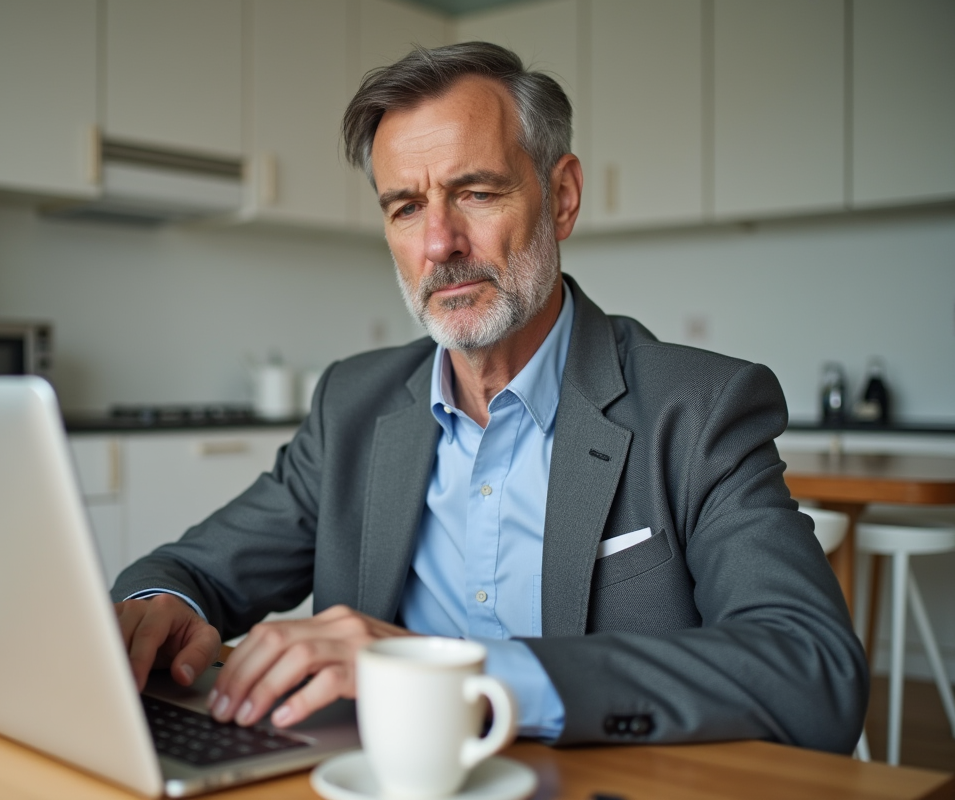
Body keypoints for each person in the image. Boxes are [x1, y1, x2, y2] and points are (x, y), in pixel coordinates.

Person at [111, 42, 867, 752]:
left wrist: (472, 678)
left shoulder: (697, 408)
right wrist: (161, 609)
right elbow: (198, 571)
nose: (440, 243)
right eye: (406, 206)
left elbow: (812, 670)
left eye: (474, 192)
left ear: (562, 197)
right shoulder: (354, 405)